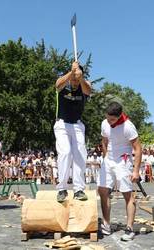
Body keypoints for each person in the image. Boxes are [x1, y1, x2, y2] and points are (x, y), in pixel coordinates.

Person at [97, 102, 142, 241]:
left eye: (112, 120)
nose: (109, 122)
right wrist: (105, 158)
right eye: (108, 118)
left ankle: (129, 229)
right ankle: (106, 224)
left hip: (123, 160)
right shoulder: (105, 123)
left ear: (119, 116)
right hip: (109, 160)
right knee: (102, 191)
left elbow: (138, 149)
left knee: (127, 194)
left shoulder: (128, 127)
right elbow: (104, 141)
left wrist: (135, 171)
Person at [54, 61, 92, 202]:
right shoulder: (64, 84)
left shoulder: (83, 85)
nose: (75, 82)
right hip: (62, 124)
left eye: (78, 78)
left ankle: (79, 189)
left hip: (77, 125)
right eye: (74, 79)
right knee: (65, 153)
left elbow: (88, 91)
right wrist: (71, 72)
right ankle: (62, 189)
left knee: (80, 154)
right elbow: (57, 85)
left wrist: (81, 78)